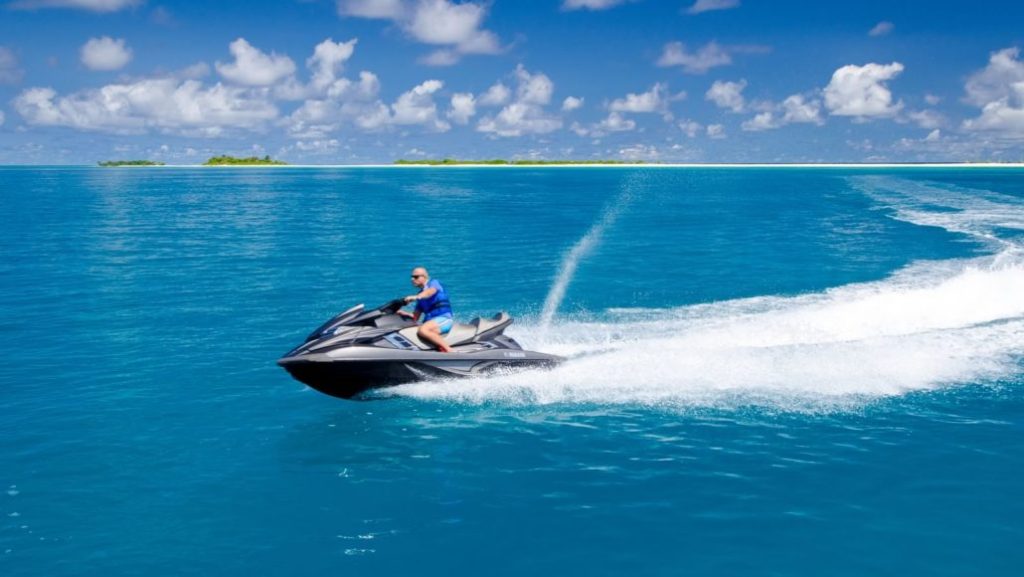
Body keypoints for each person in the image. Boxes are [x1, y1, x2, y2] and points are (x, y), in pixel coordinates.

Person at [399, 267, 454, 353]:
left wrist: (416, 297)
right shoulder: (420, 295)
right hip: (431, 322)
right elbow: (415, 317)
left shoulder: (434, 283)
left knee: (423, 330)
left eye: (416, 277)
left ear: (424, 277)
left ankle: (449, 350)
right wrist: (402, 313)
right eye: (412, 277)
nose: (412, 279)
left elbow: (430, 292)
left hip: (444, 319)